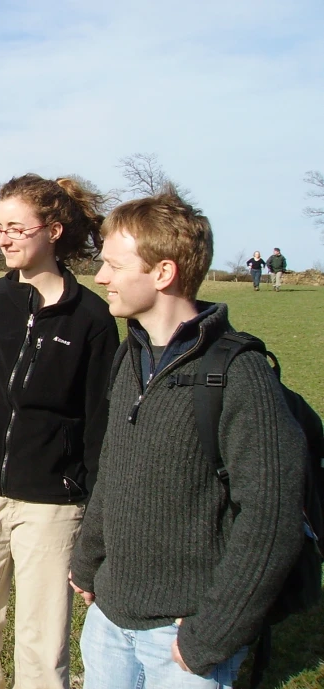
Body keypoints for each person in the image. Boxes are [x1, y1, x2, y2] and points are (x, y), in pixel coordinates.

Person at [69, 188, 306, 689]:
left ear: (163, 273)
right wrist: (88, 566)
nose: (101, 277)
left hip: (182, 642)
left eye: (114, 265)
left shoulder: (240, 376)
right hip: (109, 622)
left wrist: (213, 635)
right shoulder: (129, 356)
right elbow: (113, 470)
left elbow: (271, 519)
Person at [0, 173, 119, 689]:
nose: (3, 238)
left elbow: (99, 426)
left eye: (15, 227)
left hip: (53, 506)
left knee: (42, 642)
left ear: (52, 230)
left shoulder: (93, 319)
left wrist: (95, 516)